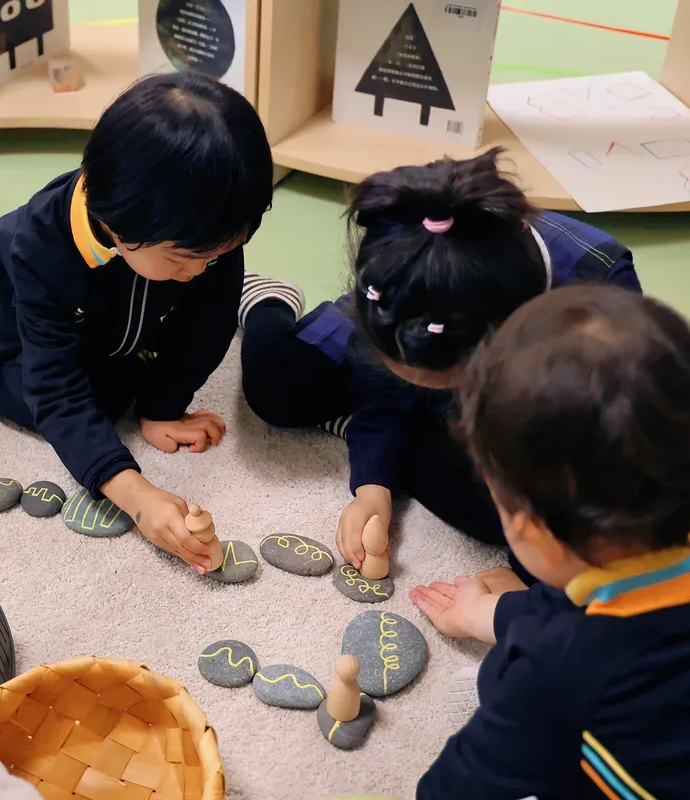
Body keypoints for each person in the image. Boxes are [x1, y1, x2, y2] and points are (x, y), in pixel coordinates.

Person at [239, 148, 640, 573]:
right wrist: (373, 485)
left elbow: (600, 474)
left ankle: (399, 422)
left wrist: (527, 589)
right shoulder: (402, 268)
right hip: (420, 319)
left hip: (532, 394)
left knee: (510, 518)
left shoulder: (602, 305)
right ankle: (269, 299)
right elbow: (386, 384)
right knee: (276, 386)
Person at [413, 285, 690, 799]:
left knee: (500, 675)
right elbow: (576, 597)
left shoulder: (554, 667)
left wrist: (516, 645)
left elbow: (454, 789)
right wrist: (487, 615)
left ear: (529, 530)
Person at [0, 71, 273, 573]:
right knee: (93, 402)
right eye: (183, 259)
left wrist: (163, 407)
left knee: (141, 368)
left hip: (101, 325)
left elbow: (211, 322)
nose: (199, 271)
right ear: (120, 226)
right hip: (11, 331)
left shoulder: (204, 230)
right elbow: (55, 390)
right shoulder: (41, 245)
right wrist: (136, 494)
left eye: (221, 254)